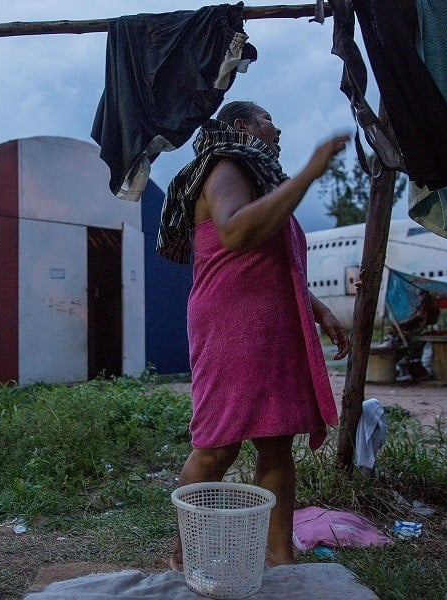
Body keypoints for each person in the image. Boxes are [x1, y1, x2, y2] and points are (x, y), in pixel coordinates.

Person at [158, 101, 350, 569]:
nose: (277, 126)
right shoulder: (227, 166)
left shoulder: (258, 177)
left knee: (276, 439)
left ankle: (280, 561)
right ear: (240, 126)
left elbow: (269, 261)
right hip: (231, 326)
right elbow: (235, 233)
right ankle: (181, 560)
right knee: (218, 445)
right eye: (268, 118)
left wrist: (318, 308)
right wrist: (308, 173)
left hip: (264, 327)